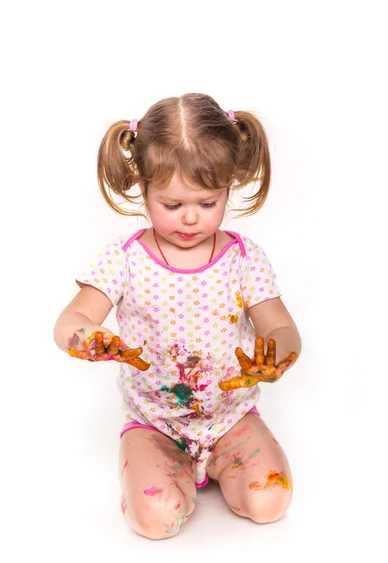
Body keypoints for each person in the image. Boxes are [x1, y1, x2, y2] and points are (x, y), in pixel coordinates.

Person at [54, 93, 302, 540]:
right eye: (172, 205)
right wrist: (87, 337)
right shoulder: (124, 259)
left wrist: (277, 357)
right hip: (155, 423)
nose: (190, 218)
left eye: (208, 203)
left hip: (232, 418)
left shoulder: (244, 258)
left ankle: (216, 466)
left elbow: (280, 327)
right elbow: (70, 321)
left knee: (270, 501)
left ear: (229, 188)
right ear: (143, 188)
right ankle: (161, 468)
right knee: (157, 520)